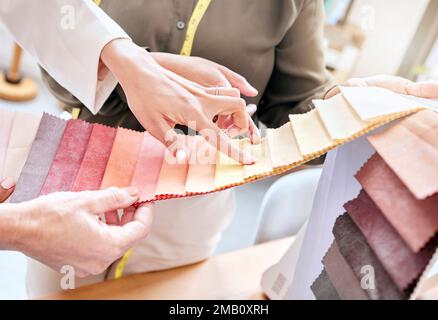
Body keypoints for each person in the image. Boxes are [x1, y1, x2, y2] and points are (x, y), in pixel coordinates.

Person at [0, 0, 256, 285]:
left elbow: (37, 9)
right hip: (79, 183)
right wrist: (24, 227)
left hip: (190, 211)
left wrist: (136, 65)